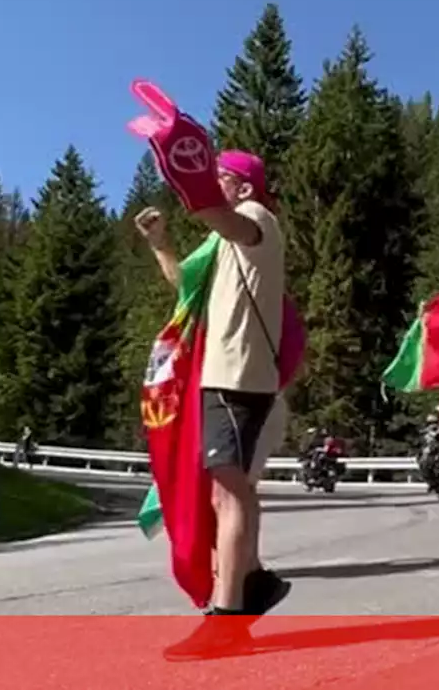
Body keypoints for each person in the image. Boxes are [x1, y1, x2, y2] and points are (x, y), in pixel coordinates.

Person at [135, 148, 291, 621]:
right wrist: (160, 242)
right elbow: (185, 282)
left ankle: (231, 610)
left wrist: (185, 169)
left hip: (237, 372)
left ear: (243, 187)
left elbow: (223, 218)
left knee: (229, 489)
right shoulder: (221, 242)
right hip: (221, 373)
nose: (216, 184)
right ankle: (255, 579)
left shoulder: (254, 215)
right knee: (222, 490)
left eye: (221, 177)